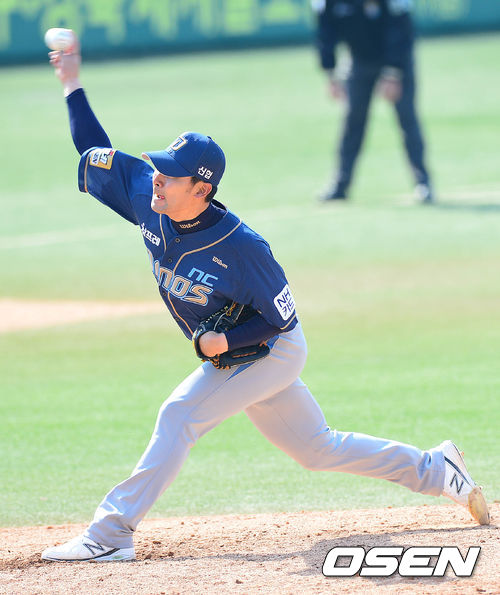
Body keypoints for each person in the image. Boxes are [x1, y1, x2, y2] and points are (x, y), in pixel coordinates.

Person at [41, 34, 487, 563]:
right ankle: (437, 469)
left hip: (273, 349)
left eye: (170, 174)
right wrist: (71, 82)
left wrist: (223, 342)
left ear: (202, 189)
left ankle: (111, 534)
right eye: (158, 168)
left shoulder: (244, 249)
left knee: (179, 415)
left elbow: (281, 320)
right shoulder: (149, 196)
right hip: (244, 353)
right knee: (317, 448)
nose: (157, 178)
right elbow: (96, 154)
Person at [312, 0, 433, 203]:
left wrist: (393, 72)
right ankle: (340, 185)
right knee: (353, 122)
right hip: (359, 60)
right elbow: (326, 31)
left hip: (397, 59)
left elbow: (400, 27)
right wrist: (330, 72)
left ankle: (423, 183)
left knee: (407, 118)